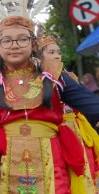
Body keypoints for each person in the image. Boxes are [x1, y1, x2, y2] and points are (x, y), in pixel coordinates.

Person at [0, 0, 99, 193]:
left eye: (22, 39)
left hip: (53, 163)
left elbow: (91, 105)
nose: (14, 45)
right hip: (8, 164)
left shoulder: (54, 74)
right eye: (6, 40)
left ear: (34, 44)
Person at [39, 35, 99, 193]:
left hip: (77, 133)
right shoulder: (36, 80)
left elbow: (88, 102)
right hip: (52, 137)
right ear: (38, 56)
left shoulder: (68, 77)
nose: (57, 55)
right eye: (51, 52)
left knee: (83, 174)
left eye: (58, 52)